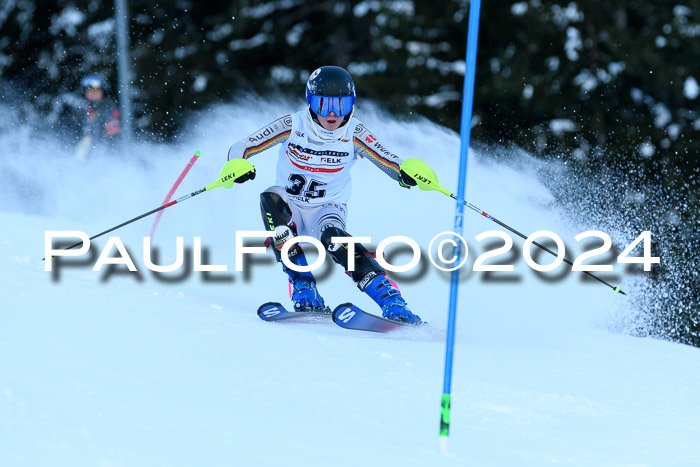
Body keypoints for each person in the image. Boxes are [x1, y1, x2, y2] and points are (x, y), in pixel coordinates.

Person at [228, 66, 422, 323]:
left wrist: (405, 173)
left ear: (351, 105)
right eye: (323, 104)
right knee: (269, 198)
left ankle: (391, 300)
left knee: (334, 238)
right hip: (291, 206)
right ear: (310, 102)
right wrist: (237, 165)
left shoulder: (355, 132)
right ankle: (303, 285)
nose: (331, 114)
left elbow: (389, 160)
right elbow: (243, 145)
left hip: (328, 207)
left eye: (340, 106)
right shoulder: (293, 124)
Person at [75, 75, 122, 160]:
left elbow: (115, 136)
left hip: (102, 156)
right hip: (83, 156)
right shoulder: (82, 110)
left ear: (103, 92)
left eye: (97, 90)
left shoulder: (109, 110)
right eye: (89, 90)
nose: (93, 93)